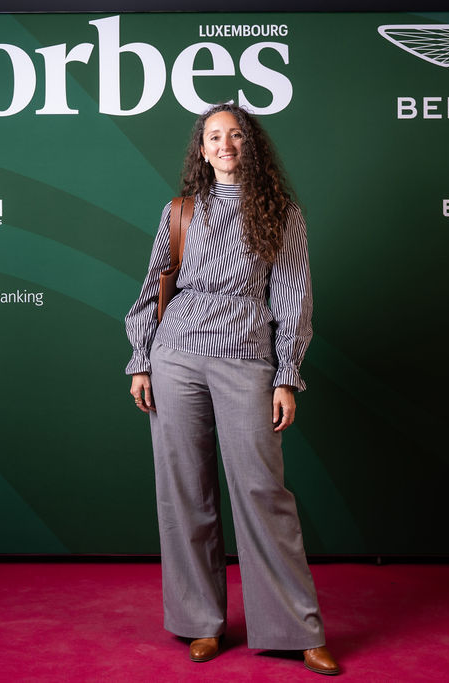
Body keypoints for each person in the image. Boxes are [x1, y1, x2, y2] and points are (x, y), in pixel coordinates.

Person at [124, 103, 339, 675]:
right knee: (184, 493)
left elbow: (292, 299)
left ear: (252, 145)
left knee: (262, 492)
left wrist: (287, 376)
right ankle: (200, 622)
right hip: (175, 356)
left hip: (247, 357)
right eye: (214, 136)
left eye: (236, 135)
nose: (225, 144)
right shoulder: (180, 210)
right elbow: (152, 287)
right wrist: (141, 361)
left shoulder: (281, 212)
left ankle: (296, 628)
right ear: (202, 150)